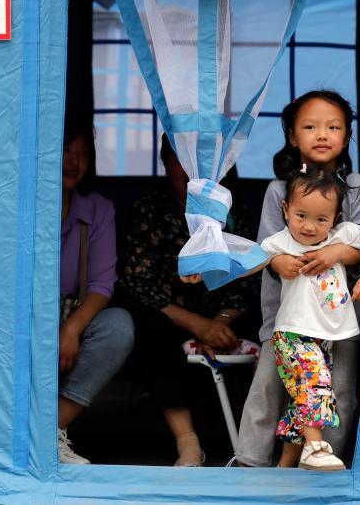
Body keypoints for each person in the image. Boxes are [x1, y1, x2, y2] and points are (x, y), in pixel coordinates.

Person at [237, 90, 360, 468]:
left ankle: (323, 465)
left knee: (339, 392)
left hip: (339, 319)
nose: (322, 135)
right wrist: (280, 261)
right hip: (287, 316)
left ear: (347, 137)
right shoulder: (278, 189)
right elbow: (265, 250)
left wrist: (336, 252)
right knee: (270, 387)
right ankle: (250, 464)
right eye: (310, 127)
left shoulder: (356, 187)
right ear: (292, 136)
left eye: (333, 127)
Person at [116, 134, 258, 467]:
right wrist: (200, 327)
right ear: (165, 163)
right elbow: (139, 286)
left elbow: (249, 282)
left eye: (204, 162)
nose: (194, 171)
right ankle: (188, 443)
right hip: (171, 315)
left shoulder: (235, 212)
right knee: (151, 329)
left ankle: (260, 445)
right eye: (182, 160)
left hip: (227, 317)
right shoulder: (148, 211)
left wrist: (219, 324)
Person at [260, 169, 360, 470]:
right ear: (285, 209)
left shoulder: (342, 235)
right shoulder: (279, 242)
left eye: (320, 219)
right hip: (292, 334)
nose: (309, 226)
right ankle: (315, 449)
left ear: (336, 218)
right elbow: (247, 262)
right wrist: (276, 261)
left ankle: (285, 467)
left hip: (323, 336)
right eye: (301, 215)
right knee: (315, 386)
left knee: (302, 398)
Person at [56, 112, 135, 465]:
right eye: (65, 150)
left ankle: (50, 431)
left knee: (118, 326)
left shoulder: (98, 209)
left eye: (83, 153)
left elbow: (102, 283)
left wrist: (72, 329)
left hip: (70, 314)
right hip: (25, 316)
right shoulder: (22, 202)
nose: (74, 161)